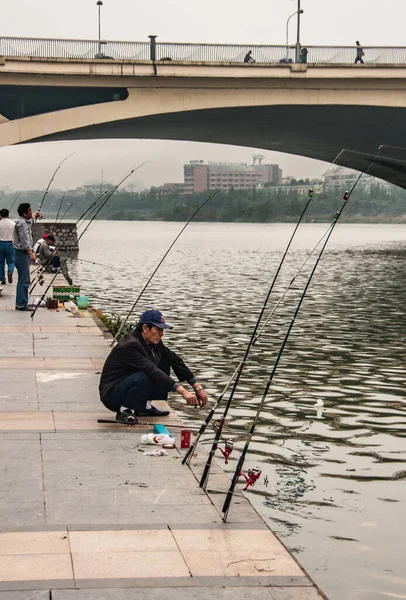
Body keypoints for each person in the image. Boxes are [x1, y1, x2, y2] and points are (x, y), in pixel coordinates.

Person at [99, 309, 208, 424]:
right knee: (145, 375)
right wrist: (183, 392)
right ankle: (123, 410)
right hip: (111, 394)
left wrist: (196, 386)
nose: (162, 334)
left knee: (164, 362)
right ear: (145, 328)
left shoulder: (153, 342)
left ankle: (145, 407)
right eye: (158, 329)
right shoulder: (131, 345)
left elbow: (174, 359)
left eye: (162, 330)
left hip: (126, 383)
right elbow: (151, 370)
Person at [13, 203, 40, 311]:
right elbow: (25, 241)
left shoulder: (24, 221)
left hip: (20, 254)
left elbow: (30, 221)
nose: (31, 212)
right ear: (24, 213)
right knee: (24, 280)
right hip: (22, 254)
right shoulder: (22, 224)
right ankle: (22, 304)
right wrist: (31, 254)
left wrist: (34, 215)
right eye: (29, 211)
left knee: (22, 280)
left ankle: (20, 302)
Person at [0, 208, 15, 285]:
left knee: (1, 263)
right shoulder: (13, 224)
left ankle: (2, 279)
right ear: (8, 214)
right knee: (11, 261)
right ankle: (10, 272)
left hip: (0, 243)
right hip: (9, 243)